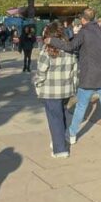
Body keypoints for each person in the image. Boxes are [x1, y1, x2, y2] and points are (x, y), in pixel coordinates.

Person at [45, 8, 101, 154]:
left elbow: (70, 46)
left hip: (89, 77)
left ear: (83, 20)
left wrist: (52, 41)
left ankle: (71, 134)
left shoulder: (84, 33)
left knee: (81, 107)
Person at [34, 23, 78, 159]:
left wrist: (38, 85)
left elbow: (41, 72)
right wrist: (73, 86)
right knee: (62, 115)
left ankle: (60, 148)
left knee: (55, 119)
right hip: (66, 89)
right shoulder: (70, 51)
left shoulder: (46, 51)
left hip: (50, 90)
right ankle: (62, 138)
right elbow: (75, 72)